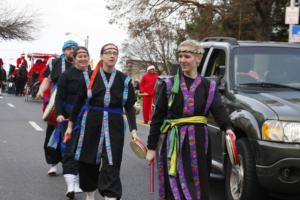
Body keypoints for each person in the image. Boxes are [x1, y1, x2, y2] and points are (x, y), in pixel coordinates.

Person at [146, 40, 235, 200]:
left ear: (198, 59)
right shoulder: (169, 85)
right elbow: (157, 117)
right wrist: (151, 148)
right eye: (180, 56)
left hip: (199, 145)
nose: (182, 60)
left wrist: (228, 128)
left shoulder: (209, 86)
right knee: (173, 185)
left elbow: (219, 110)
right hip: (174, 142)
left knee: (197, 185)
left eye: (187, 56)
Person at [65, 43, 139, 200]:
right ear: (101, 56)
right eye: (108, 52)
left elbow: (130, 107)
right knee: (88, 161)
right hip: (91, 123)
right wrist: (70, 125)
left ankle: (110, 195)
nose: (112, 55)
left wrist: (133, 130)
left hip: (114, 124)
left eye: (115, 53)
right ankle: (90, 193)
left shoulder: (124, 80)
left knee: (112, 161)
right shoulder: (88, 77)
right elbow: (78, 103)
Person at [36, 40, 78, 176]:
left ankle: (71, 166)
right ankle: (53, 164)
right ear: (64, 50)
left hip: (74, 104)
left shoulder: (82, 64)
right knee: (53, 132)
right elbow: (48, 79)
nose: (73, 50)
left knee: (72, 135)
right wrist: (41, 91)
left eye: (75, 48)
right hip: (56, 103)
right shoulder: (55, 63)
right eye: (70, 48)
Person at [55, 46, 90, 199]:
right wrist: (59, 114)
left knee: (85, 151)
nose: (83, 58)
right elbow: (59, 97)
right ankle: (71, 185)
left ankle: (81, 180)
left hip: (89, 117)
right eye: (80, 56)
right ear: (74, 58)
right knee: (69, 149)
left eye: (85, 56)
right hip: (69, 117)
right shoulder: (66, 75)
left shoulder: (93, 75)